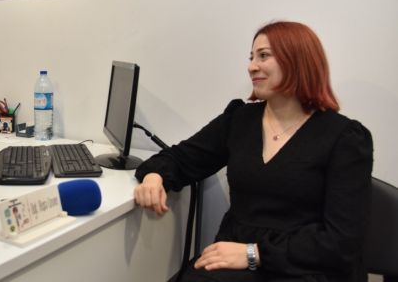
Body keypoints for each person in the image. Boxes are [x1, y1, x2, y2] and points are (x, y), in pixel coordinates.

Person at [133, 21, 373, 282]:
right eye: (251, 57)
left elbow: (341, 242)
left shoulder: (345, 138)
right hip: (234, 260)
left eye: (263, 56)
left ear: (297, 60)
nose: (251, 66)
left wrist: (253, 254)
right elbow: (181, 158)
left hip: (307, 267)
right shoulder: (240, 120)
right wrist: (155, 176)